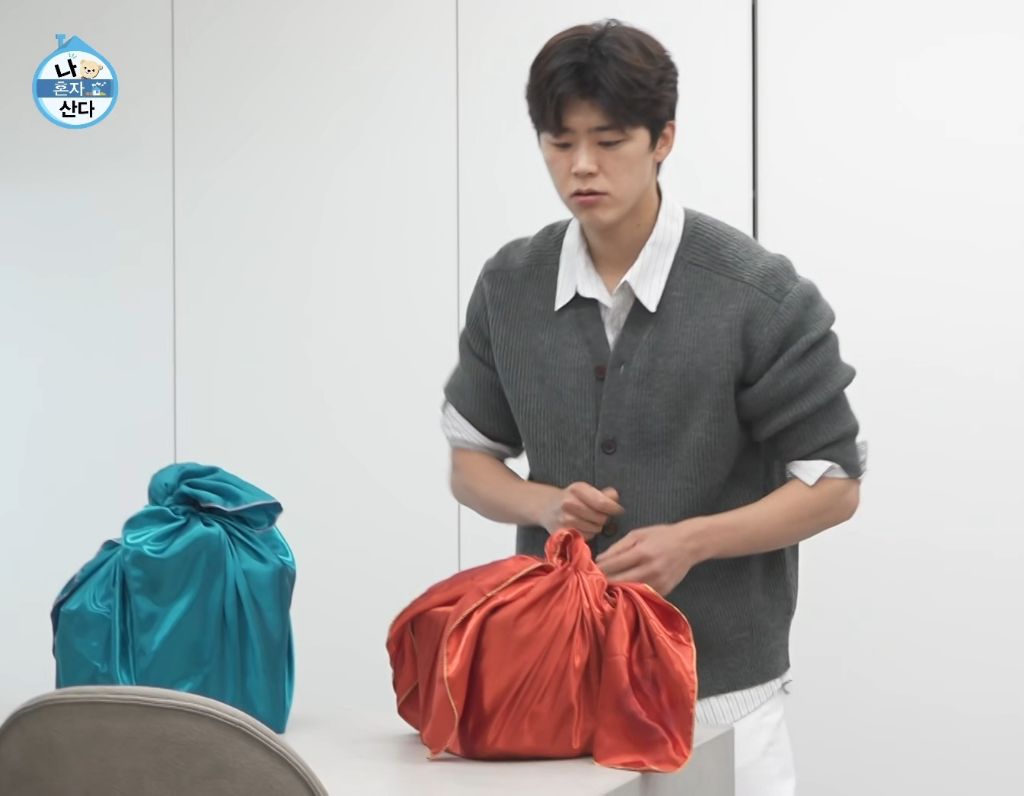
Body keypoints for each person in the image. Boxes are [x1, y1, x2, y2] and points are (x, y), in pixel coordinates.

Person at [440, 19, 867, 796]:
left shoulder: (757, 294)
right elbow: (471, 465)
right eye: (559, 143)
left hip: (720, 699)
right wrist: (544, 503)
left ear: (663, 138)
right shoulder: (510, 285)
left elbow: (833, 485)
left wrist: (692, 542)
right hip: (556, 690)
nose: (582, 166)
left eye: (608, 141)